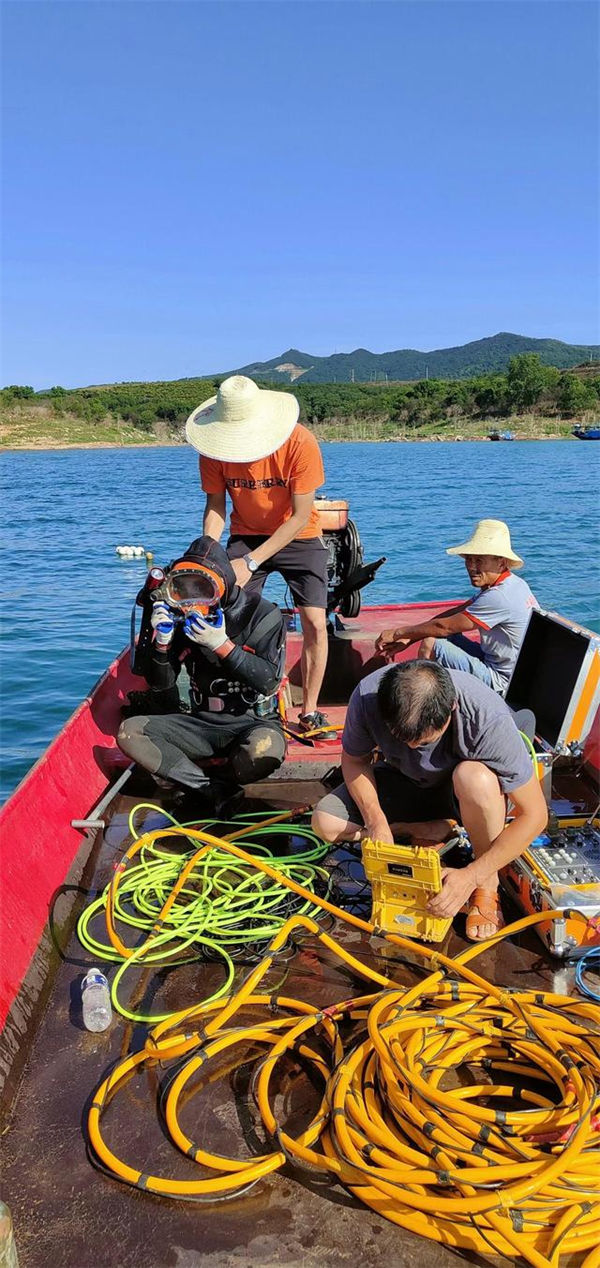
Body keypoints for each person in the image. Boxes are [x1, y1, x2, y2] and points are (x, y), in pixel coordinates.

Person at [311, 660, 547, 941]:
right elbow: (353, 761)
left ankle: (487, 884)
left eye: (423, 742)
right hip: (407, 780)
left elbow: (535, 815)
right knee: (324, 823)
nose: (412, 747)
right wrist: (376, 820)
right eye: (402, 738)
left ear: (451, 710)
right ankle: (425, 827)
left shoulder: (486, 717)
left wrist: (471, 875)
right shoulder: (366, 697)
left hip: (468, 793)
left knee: (474, 778)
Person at [185, 375, 330, 733]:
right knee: (226, 610)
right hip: (246, 533)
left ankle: (308, 710)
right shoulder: (214, 453)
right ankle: (241, 700)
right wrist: (208, 557)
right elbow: (216, 506)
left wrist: (251, 562)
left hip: (299, 534)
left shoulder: (300, 442)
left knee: (314, 621)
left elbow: (299, 517)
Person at [117, 536, 287, 812]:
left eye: (203, 589)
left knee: (265, 751)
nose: (193, 601)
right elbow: (163, 685)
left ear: (223, 588)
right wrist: (162, 644)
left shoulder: (262, 614)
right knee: (130, 732)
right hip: (198, 722)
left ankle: (207, 779)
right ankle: (209, 788)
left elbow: (268, 681)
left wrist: (223, 647)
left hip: (251, 721)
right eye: (183, 590)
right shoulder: (178, 616)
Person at [375, 520, 538, 695]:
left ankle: (425, 705)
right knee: (439, 635)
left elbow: (443, 627)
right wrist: (409, 638)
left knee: (432, 643)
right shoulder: (512, 584)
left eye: (479, 560)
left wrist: (398, 633)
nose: (472, 567)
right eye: (469, 559)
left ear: (501, 563)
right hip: (504, 668)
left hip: (502, 682)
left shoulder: (499, 596)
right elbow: (454, 615)